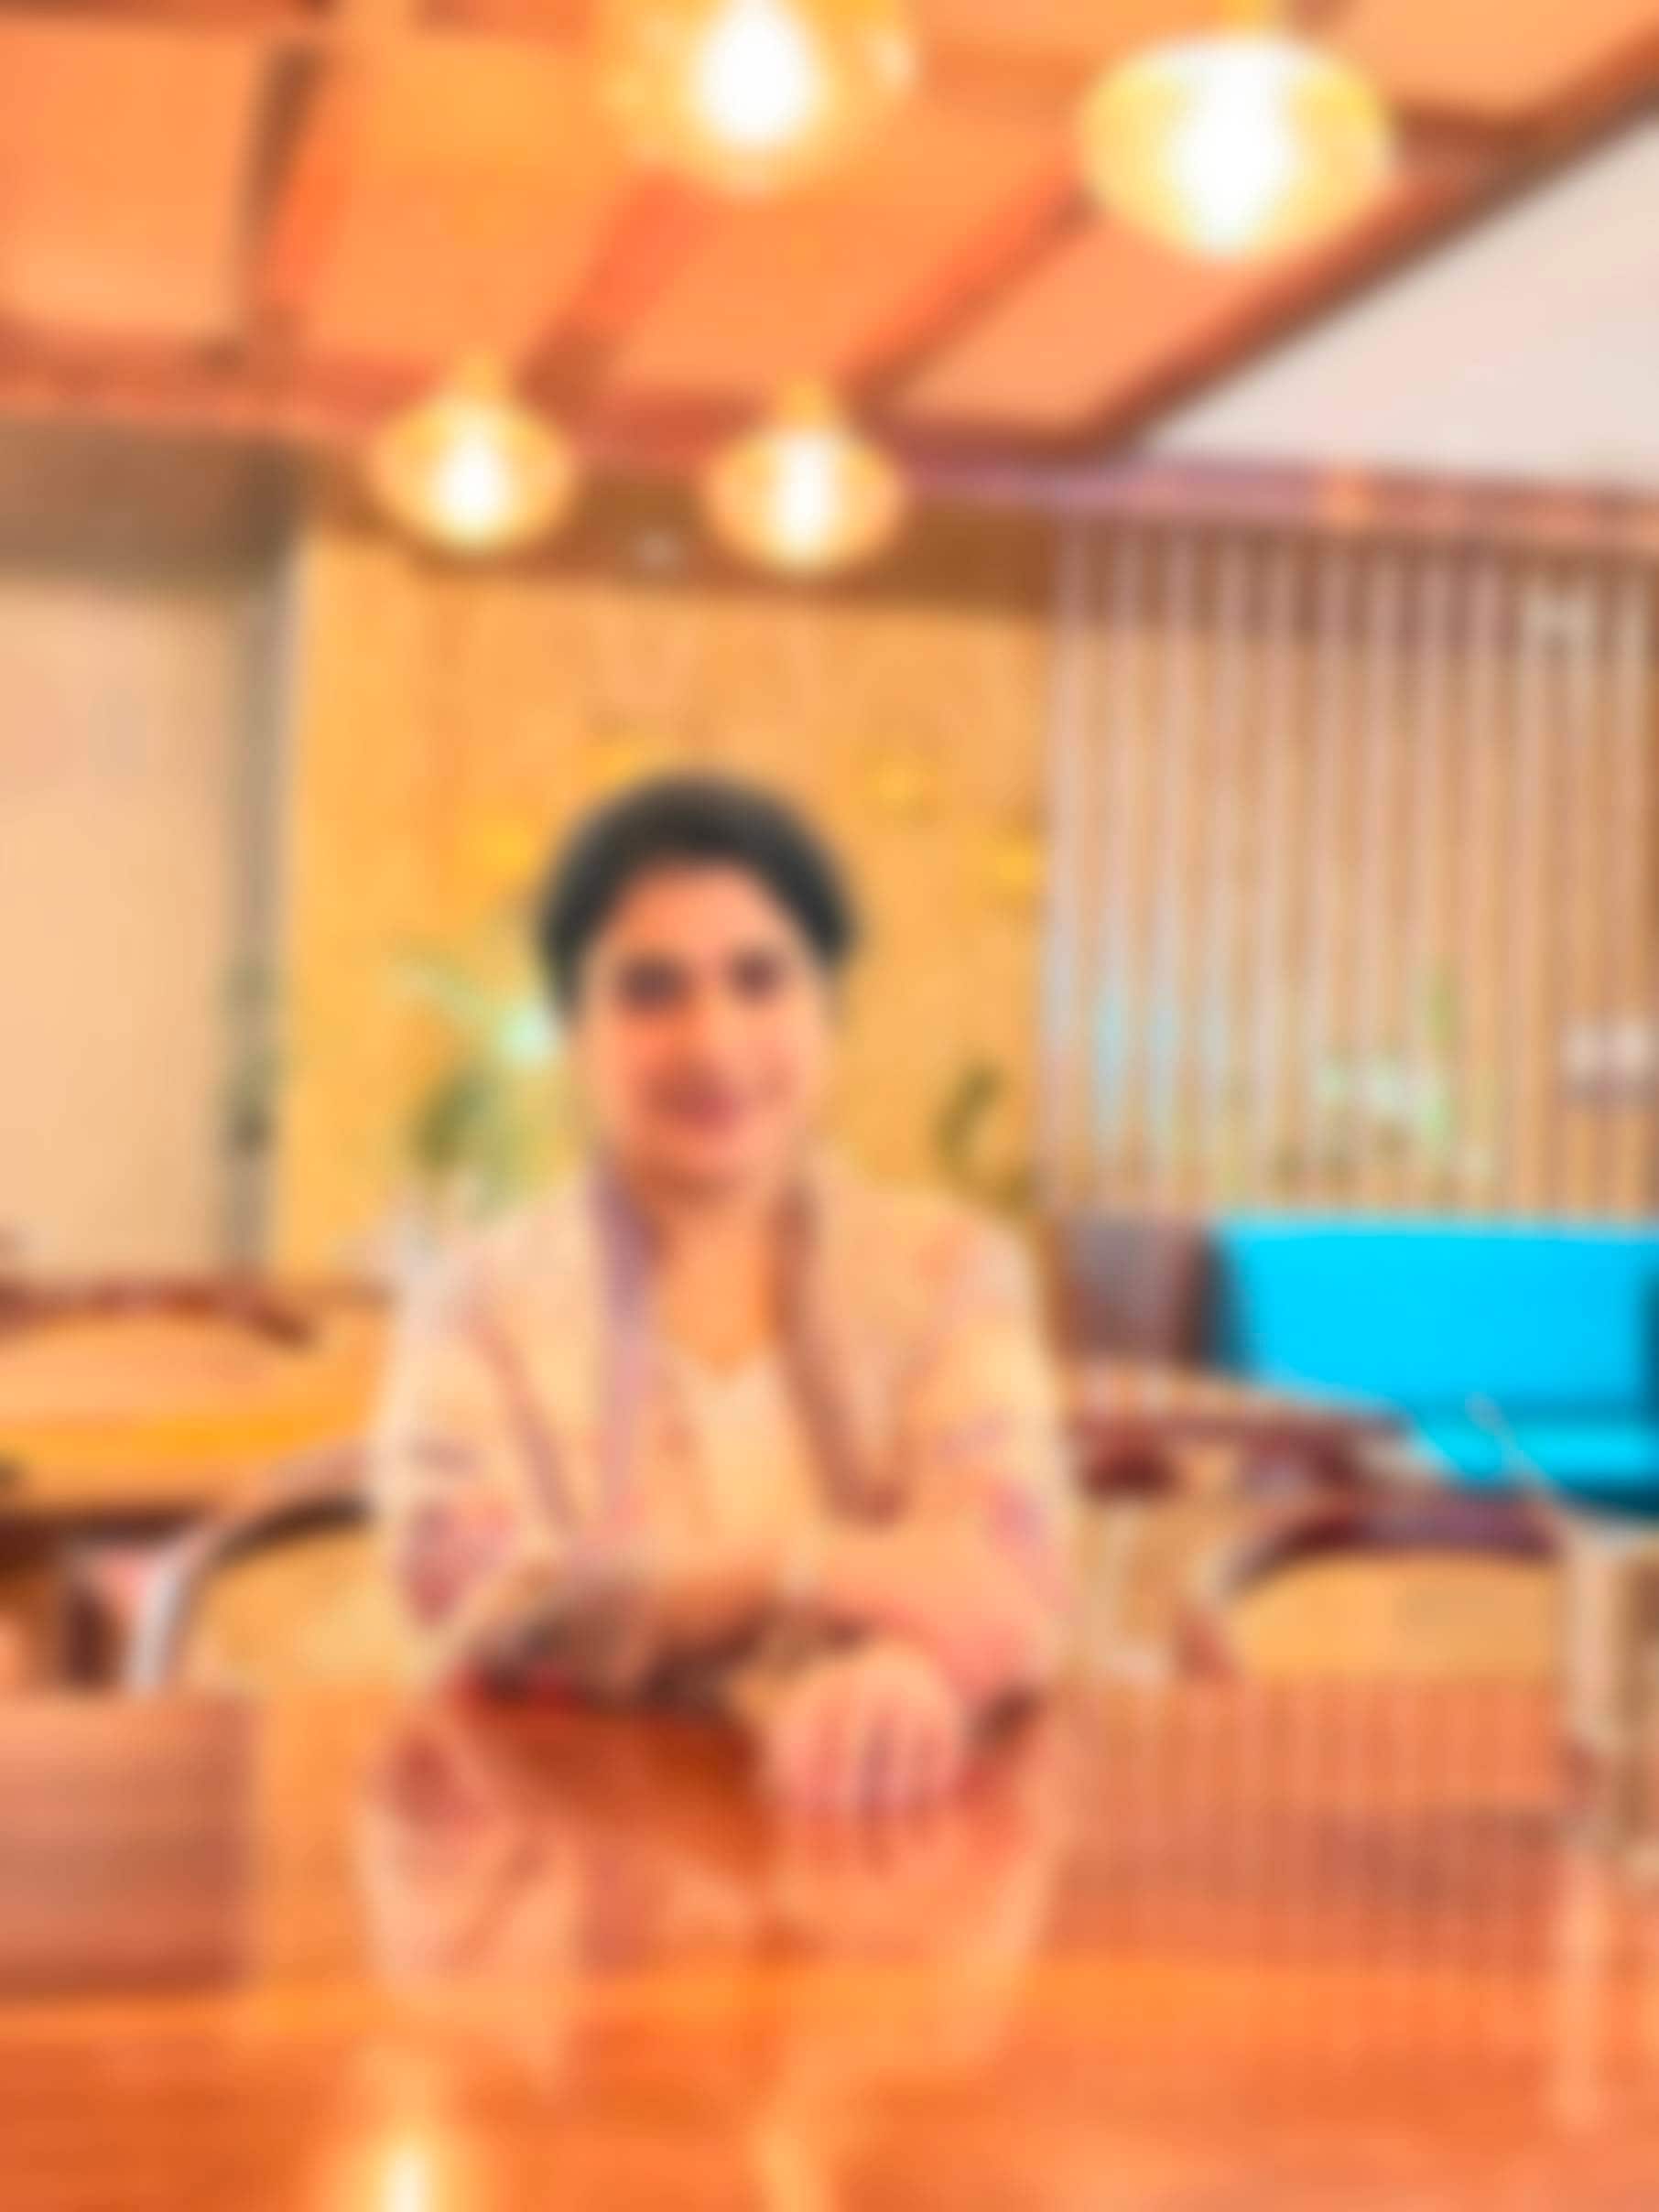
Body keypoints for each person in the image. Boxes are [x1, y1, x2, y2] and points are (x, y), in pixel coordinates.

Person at [373, 774, 1071, 1813]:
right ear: (572, 1029)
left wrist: (911, 1676)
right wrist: (809, 1572)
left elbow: (1004, 1573)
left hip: (887, 1837)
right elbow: (483, 1609)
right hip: (568, 1842)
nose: (713, 1041)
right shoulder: (478, 1303)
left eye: (760, 979)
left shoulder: (948, 1271)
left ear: (828, 1009)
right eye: (650, 989)